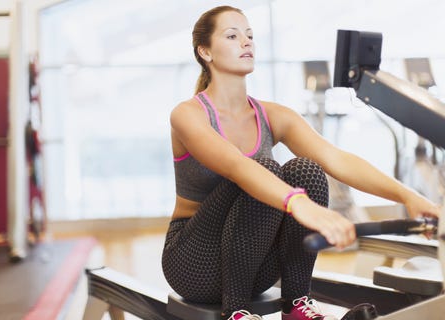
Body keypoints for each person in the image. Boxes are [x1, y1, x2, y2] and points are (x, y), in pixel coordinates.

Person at [161, 5, 440, 320]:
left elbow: (337, 159)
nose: (247, 42)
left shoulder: (272, 115)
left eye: (250, 35)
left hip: (253, 267)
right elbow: (238, 167)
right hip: (194, 264)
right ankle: (235, 312)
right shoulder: (188, 115)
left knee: (305, 169)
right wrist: (299, 204)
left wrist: (410, 197)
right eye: (232, 35)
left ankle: (296, 305)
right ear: (205, 51)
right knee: (263, 169)